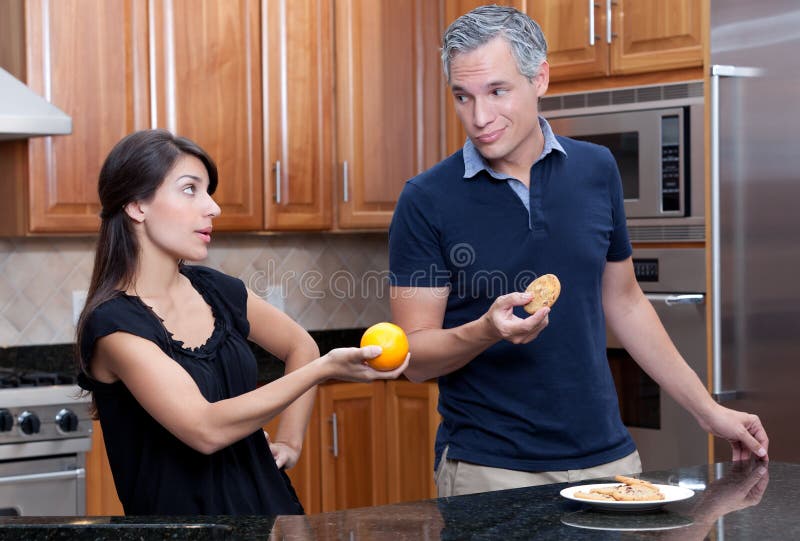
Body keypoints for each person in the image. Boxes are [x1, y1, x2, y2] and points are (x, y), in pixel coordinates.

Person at [388, 5, 768, 498]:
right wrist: (485, 330)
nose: (479, 117)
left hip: (609, 462)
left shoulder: (597, 170)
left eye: (497, 91)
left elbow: (626, 302)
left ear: (539, 77)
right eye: (463, 96)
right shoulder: (426, 199)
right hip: (490, 471)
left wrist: (708, 410)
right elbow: (413, 356)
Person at [76, 129, 408, 515]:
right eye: (190, 189)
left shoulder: (217, 291)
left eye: (208, 191)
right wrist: (323, 370)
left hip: (271, 515)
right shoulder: (113, 327)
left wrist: (291, 441)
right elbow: (205, 429)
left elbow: (301, 346)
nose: (213, 207)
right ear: (137, 206)